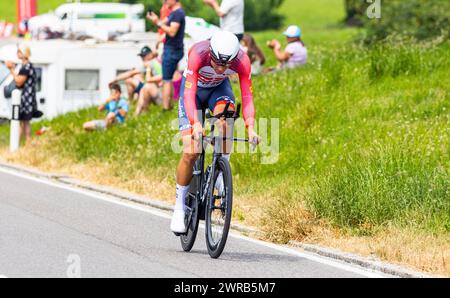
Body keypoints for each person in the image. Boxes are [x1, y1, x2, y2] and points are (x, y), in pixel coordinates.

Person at [171, 31, 261, 233]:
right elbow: (189, 93)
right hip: (193, 94)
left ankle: (220, 173)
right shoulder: (198, 53)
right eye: (217, 63)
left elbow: (247, 96)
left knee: (228, 118)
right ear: (211, 52)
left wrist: (251, 127)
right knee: (191, 151)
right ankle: (179, 208)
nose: (221, 68)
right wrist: (195, 123)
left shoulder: (242, 60)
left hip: (218, 91)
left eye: (225, 65)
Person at [147, 0, 186, 111]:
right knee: (170, 77)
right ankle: (172, 103)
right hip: (173, 50)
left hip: (172, 50)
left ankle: (166, 107)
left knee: (166, 80)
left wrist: (157, 22)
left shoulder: (177, 13)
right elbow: (164, 24)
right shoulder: (174, 13)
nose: (164, 1)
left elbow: (172, 32)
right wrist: (156, 20)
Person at [110, 46, 163, 116]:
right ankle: (135, 109)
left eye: (144, 56)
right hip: (158, 91)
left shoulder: (150, 64)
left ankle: (135, 108)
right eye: (142, 56)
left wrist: (114, 79)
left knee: (138, 85)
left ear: (150, 55)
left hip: (159, 92)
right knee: (137, 79)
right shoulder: (156, 61)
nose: (143, 58)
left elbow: (130, 73)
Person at [5, 44, 37, 145]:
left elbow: (19, 81)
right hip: (27, 98)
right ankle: (19, 144)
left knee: (24, 121)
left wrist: (11, 70)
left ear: (24, 53)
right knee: (23, 122)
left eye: (19, 51)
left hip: (26, 98)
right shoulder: (26, 66)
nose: (17, 53)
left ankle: (24, 143)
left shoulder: (26, 67)